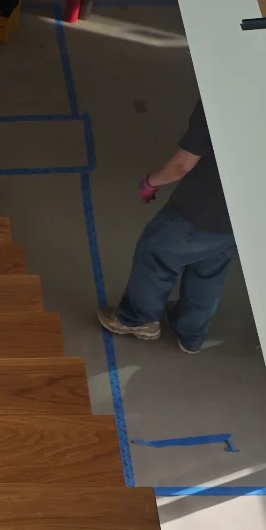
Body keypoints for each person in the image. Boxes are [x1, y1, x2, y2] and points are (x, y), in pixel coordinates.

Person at [97, 99, 237, 354]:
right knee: (209, 272)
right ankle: (191, 335)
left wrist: (152, 182)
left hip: (197, 210)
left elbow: (183, 164)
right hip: (236, 219)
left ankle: (137, 319)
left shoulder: (220, 100)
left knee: (155, 255)